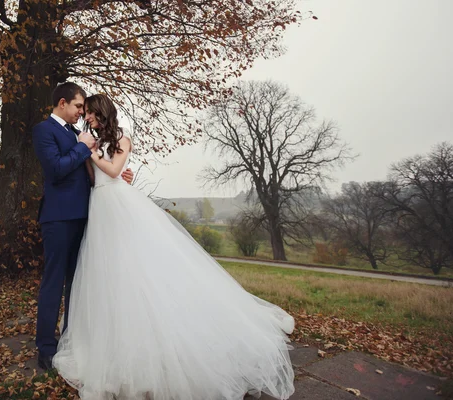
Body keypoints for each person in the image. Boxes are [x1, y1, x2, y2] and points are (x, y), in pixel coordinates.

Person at [52, 93, 296, 400]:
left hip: (120, 206)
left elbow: (113, 171)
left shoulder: (121, 140)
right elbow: (95, 179)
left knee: (137, 265)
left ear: (101, 113)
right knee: (109, 271)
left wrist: (91, 155)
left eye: (89, 113)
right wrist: (89, 155)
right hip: (100, 208)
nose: (86, 117)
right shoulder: (91, 143)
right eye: (83, 112)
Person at [32, 83, 133, 370]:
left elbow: (94, 171)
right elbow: (55, 168)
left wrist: (119, 177)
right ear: (62, 103)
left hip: (86, 216)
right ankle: (46, 349)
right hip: (58, 218)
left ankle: (70, 340)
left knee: (77, 285)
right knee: (53, 283)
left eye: (84, 109)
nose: (81, 112)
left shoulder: (81, 135)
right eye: (78, 107)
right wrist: (82, 148)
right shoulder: (44, 131)